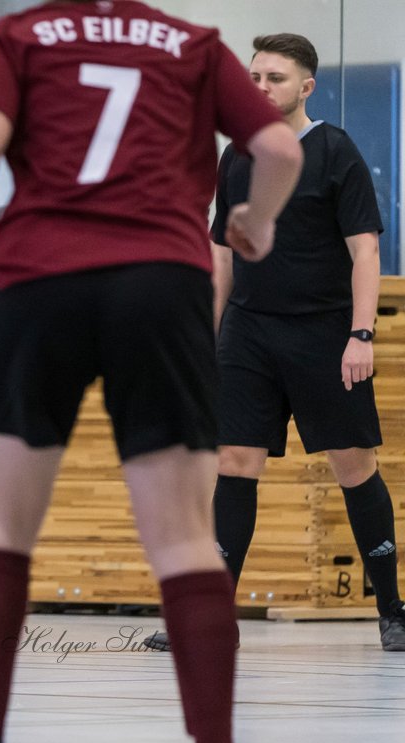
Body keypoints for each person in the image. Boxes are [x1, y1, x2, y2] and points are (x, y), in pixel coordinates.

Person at [0, 0, 303, 743]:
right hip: (161, 285)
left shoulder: (19, 36)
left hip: (37, 281)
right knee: (183, 537)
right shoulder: (194, 44)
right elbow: (277, 146)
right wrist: (256, 220)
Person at [144, 33, 404, 654]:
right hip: (249, 334)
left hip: (323, 334)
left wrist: (360, 333)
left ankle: (393, 610)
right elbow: (222, 256)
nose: (260, 89)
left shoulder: (335, 151)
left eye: (275, 79)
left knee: (353, 466)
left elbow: (365, 250)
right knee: (234, 464)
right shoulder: (237, 157)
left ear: (305, 87)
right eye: (254, 77)